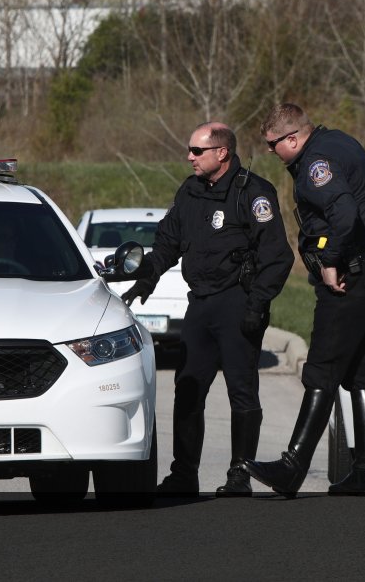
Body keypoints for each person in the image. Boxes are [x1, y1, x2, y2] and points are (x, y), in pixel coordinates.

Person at [123, 122, 293, 497]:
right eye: (190, 150)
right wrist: (148, 277)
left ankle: (240, 474)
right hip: (200, 304)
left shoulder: (253, 192)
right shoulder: (190, 190)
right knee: (187, 388)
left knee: (241, 391)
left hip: (238, 303)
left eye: (197, 151)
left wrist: (258, 304)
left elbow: (278, 256)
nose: (190, 157)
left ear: (222, 153)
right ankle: (184, 474)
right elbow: (167, 242)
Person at [243, 103, 365, 497]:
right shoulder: (339, 142)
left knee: (322, 370)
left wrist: (329, 262)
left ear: (293, 138)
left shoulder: (316, 164)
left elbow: (344, 214)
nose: (271, 152)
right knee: (358, 372)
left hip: (351, 276)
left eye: (274, 144)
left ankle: (292, 467)